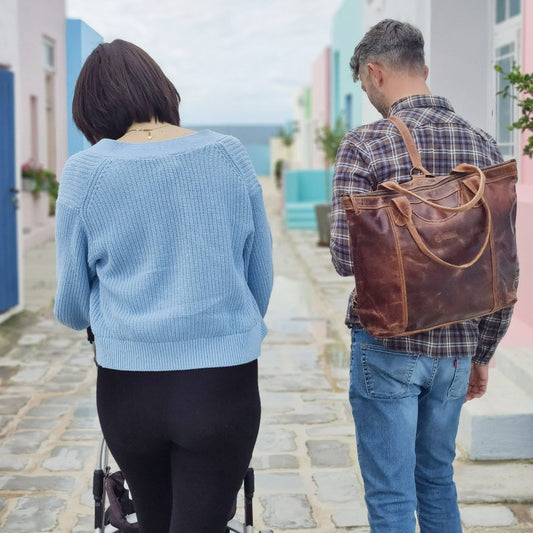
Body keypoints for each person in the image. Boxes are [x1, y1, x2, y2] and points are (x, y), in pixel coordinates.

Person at [54, 39, 273, 533]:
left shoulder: (85, 172)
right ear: (160, 88)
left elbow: (71, 308)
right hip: (223, 385)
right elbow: (259, 284)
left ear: (90, 110)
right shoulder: (230, 155)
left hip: (128, 391)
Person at [330, 19, 516, 532]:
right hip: (457, 350)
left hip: (389, 346)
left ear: (375, 72)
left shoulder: (365, 144)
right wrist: (483, 353)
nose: (367, 94)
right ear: (424, 70)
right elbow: (501, 265)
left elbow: (345, 258)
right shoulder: (483, 146)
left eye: (363, 84)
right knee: (436, 481)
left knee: (392, 496)